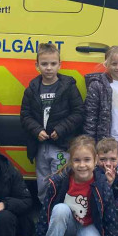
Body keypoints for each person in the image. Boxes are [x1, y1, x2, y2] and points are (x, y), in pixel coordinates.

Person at [35, 135, 118, 236]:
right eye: (77, 160)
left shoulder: (101, 185)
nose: (82, 165)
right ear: (71, 162)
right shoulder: (59, 182)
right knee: (59, 209)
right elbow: (44, 216)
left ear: (95, 161)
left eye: (87, 160)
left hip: (88, 225)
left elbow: (110, 222)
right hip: (66, 223)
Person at [20, 43, 84, 199]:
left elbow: (78, 112)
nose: (49, 68)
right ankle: (44, 212)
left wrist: (61, 129)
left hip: (61, 145)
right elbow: (25, 115)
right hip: (40, 146)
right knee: (43, 182)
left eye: (53, 64)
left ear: (59, 65)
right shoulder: (32, 89)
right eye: (44, 64)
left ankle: (58, 209)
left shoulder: (68, 87)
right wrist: (37, 130)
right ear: (37, 66)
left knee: (61, 180)